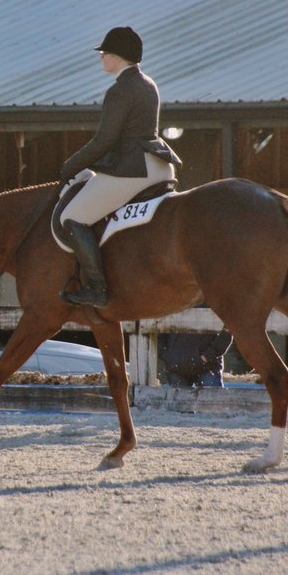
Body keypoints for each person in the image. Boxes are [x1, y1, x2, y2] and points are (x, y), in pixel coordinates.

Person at [57, 26, 181, 308]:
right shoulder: (148, 83)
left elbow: (104, 140)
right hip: (161, 167)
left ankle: (97, 289)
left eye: (104, 53)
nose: (101, 57)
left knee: (72, 218)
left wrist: (71, 165)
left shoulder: (119, 90)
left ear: (117, 56)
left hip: (132, 171)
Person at [158, 321, 233, 388]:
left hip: (207, 367)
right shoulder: (169, 309)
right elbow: (158, 333)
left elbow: (228, 330)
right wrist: (169, 357)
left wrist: (207, 356)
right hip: (177, 368)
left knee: (212, 399)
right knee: (179, 399)